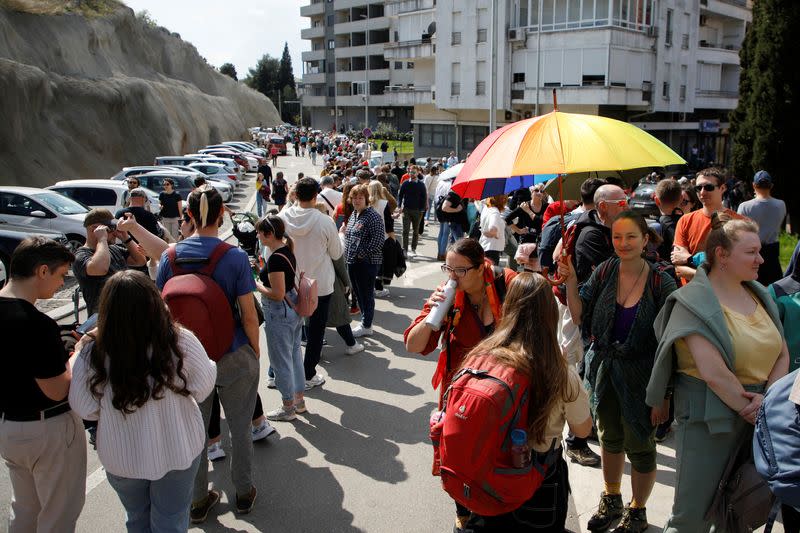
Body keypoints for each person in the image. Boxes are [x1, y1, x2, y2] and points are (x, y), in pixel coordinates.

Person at [647, 213, 790, 532]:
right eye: (751, 252)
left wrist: (767, 402)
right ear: (722, 255)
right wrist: (755, 408)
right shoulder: (691, 301)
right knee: (692, 517)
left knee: (738, 511)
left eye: (759, 251)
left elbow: (781, 351)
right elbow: (713, 372)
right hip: (708, 422)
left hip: (757, 417)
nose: (761, 258)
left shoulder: (759, 292)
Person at [70, 271, 216, 533]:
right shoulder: (179, 339)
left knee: (137, 519)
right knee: (170, 520)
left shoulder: (94, 351)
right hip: (178, 447)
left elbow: (83, 407)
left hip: (122, 455)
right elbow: (203, 387)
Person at [559, 211, 677, 533]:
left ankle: (637, 509)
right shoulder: (604, 271)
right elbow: (580, 314)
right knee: (609, 437)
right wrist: (570, 279)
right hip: (604, 371)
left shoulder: (661, 281)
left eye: (631, 237)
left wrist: (664, 395)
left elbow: (671, 345)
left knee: (641, 444)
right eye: (617, 237)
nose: (623, 243)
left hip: (643, 376)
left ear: (646, 240)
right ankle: (611, 497)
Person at [156, 186, 261, 522]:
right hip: (232, 352)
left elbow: (162, 311)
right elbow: (247, 314)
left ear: (187, 216)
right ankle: (243, 493)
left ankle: (198, 499)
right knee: (241, 426)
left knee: (194, 431)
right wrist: (255, 351)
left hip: (187, 357)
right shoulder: (234, 257)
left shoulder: (169, 257)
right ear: (222, 215)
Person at [462, 273, 593, 532]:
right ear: (550, 313)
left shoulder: (480, 356)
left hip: (489, 474)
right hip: (540, 479)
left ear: (509, 306)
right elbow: (582, 430)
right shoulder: (560, 371)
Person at [405, 238, 516, 533]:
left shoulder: (510, 285)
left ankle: (491, 509)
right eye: (448, 269)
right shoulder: (448, 298)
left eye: (460, 271)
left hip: (503, 394)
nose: (451, 277)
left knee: (495, 456)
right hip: (461, 395)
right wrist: (433, 316)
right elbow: (413, 345)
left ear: (481, 268)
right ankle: (463, 510)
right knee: (458, 457)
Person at [0, 237, 86, 533]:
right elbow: (58, 390)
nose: (62, 283)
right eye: (62, 275)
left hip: (9, 427)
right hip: (47, 430)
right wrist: (77, 353)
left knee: (24, 511)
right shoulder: (36, 324)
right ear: (42, 271)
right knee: (58, 516)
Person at [280, 177, 344, 389]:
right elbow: (336, 253)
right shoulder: (325, 221)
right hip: (320, 284)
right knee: (316, 332)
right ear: (316, 195)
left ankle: (282, 373)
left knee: (290, 332)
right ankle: (308, 374)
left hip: (291, 282)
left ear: (295, 195)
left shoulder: (282, 218)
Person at [255, 215, 306, 421]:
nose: (257, 235)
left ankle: (288, 407)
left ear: (269, 234)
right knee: (294, 356)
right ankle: (299, 400)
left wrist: (256, 284)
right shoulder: (286, 250)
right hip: (293, 308)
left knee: (280, 361)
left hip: (279, 311)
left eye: (260, 232)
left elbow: (277, 293)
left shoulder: (275, 257)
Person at [671, 167, 744, 284]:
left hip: (726, 295)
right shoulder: (685, 220)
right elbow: (679, 268)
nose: (702, 192)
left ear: (723, 188)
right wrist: (715, 277)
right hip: (691, 294)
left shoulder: (740, 222)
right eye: (698, 188)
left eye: (708, 187)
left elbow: (739, 265)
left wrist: (689, 260)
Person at [73, 208, 147, 316]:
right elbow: (100, 269)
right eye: (110, 228)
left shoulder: (113, 249)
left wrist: (126, 237)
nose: (114, 232)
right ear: (94, 229)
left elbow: (140, 260)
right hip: (104, 318)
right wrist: (102, 239)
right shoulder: (81, 255)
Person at [344, 184, 385, 338]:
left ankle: (367, 325)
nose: (357, 200)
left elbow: (379, 240)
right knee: (359, 294)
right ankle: (365, 321)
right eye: (354, 197)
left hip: (366, 263)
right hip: (353, 262)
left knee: (366, 295)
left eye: (360, 197)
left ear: (366, 199)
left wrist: (362, 254)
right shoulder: (355, 214)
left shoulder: (372, 216)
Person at [737, 170, 786, 285]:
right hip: (773, 253)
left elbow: (739, 231)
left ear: (754, 185)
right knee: (772, 292)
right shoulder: (781, 204)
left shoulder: (744, 207)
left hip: (751, 251)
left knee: (751, 290)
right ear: (771, 186)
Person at [398, 169, 427, 258]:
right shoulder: (405, 183)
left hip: (418, 210)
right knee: (405, 230)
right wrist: (399, 206)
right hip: (406, 209)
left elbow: (424, 197)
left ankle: (413, 248)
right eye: (410, 172)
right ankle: (405, 249)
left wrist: (422, 209)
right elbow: (400, 195)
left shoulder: (421, 184)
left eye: (414, 172)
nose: (412, 174)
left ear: (418, 173)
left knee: (416, 230)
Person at [479, 194, 507, 266]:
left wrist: (485, 232)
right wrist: (495, 234)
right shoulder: (495, 212)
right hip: (492, 248)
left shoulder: (486, 208)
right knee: (491, 273)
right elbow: (492, 229)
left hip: (485, 245)